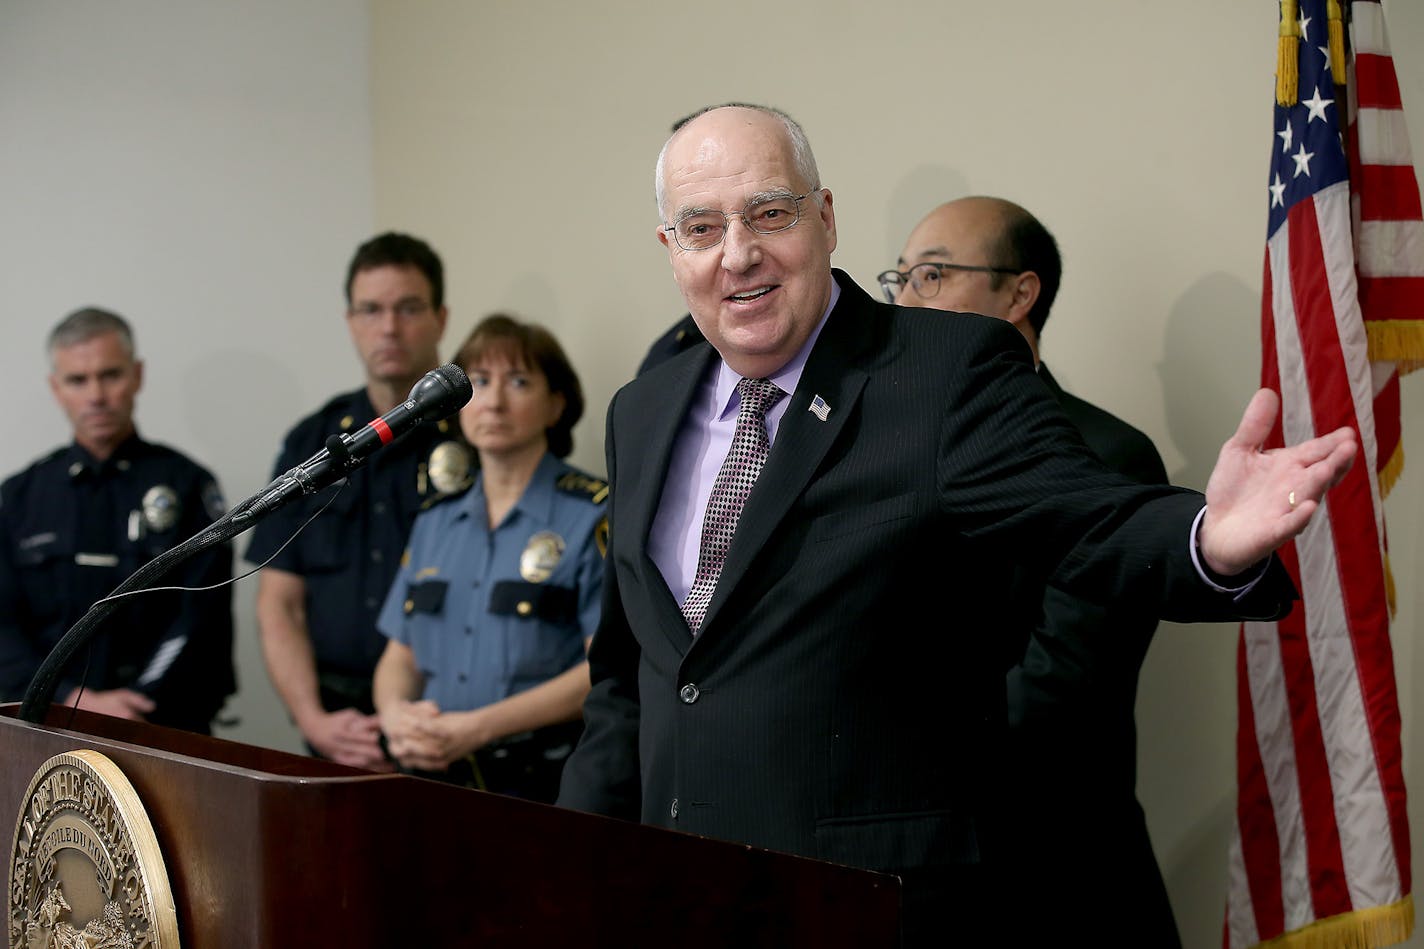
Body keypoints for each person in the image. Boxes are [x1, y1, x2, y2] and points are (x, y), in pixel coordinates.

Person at [554, 104, 1355, 947]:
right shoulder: (641, 411)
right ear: (671, 250)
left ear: (825, 219)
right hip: (676, 897)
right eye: (702, 226)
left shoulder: (939, 370)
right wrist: (565, 858)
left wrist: (1205, 539)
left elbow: (1082, 513)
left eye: (770, 213)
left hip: (868, 907)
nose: (739, 252)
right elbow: (630, 678)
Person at [886, 197, 1179, 943]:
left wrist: (890, 754)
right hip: (904, 870)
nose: (905, 299)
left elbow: (1062, 681)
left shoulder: (1104, 455)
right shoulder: (878, 458)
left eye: (933, 274)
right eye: (902, 278)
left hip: (1050, 869)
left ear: (1019, 293)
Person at [247, 232, 471, 769]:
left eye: (408, 308)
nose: (388, 328)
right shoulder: (312, 443)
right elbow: (279, 602)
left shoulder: (478, 435)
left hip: (449, 724)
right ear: (351, 322)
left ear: (441, 318)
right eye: (371, 310)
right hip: (336, 728)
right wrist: (313, 721)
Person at [373, 314, 606, 802]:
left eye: (518, 381)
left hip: (544, 783)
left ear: (555, 404)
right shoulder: (434, 521)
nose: (494, 402)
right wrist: (395, 717)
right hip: (431, 777)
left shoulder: (594, 515)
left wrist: (478, 728)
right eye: (478, 382)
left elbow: (605, 668)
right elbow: (400, 655)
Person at [0, 308, 234, 733]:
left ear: (138, 375)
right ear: (56, 388)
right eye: (77, 380)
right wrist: (69, 697)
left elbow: (202, 616)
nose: (96, 395)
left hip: (163, 727)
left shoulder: (187, 487)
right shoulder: (18, 499)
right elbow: (2, 627)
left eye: (110, 375)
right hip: (45, 727)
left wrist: (134, 704)